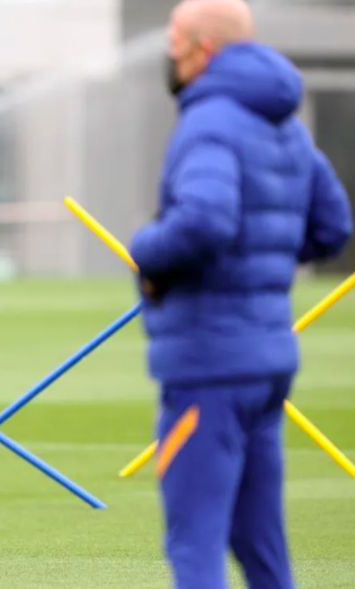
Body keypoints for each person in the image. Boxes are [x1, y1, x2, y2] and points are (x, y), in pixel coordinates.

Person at [130, 1, 353, 587]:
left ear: (203, 49)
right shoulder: (283, 121)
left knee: (193, 539)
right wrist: (266, 257)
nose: (169, 54)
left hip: (210, 363)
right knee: (261, 546)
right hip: (266, 363)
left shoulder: (210, 120)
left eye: (175, 41)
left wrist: (147, 251)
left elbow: (204, 220)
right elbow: (332, 226)